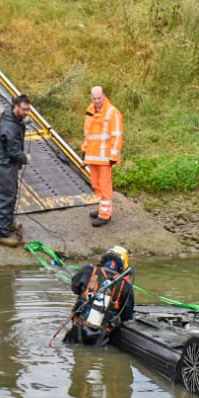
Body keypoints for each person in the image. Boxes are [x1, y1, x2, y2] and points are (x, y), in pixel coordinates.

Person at [66, 245, 135, 345]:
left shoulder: (88, 270)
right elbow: (127, 315)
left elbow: (75, 288)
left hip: (78, 329)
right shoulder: (126, 285)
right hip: (101, 336)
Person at [0, 93, 33, 248]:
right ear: (16, 106)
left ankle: (8, 223)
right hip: (5, 165)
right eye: (24, 110)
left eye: (28, 110)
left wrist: (22, 121)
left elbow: (17, 125)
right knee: (6, 196)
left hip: (9, 164)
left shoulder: (12, 115)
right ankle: (1, 234)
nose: (26, 113)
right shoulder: (9, 126)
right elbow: (13, 151)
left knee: (12, 193)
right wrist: (25, 158)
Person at [83, 85, 123, 227]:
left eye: (99, 98)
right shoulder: (90, 111)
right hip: (93, 156)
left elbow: (117, 136)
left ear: (104, 95)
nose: (97, 101)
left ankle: (105, 215)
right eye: (94, 98)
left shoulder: (112, 112)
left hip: (105, 158)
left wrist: (113, 156)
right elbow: (88, 134)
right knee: (96, 185)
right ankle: (102, 209)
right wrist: (85, 151)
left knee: (105, 186)